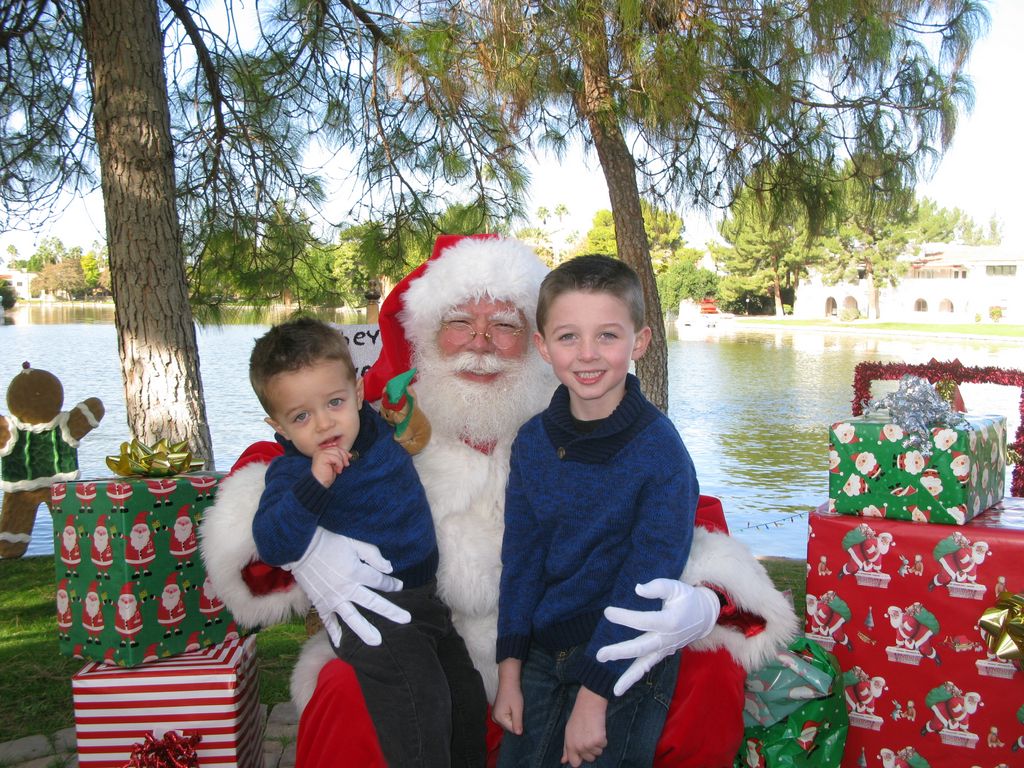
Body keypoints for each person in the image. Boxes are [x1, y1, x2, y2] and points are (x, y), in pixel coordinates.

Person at [200, 234, 798, 768]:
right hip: (426, 643)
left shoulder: (575, 420)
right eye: (460, 321)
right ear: (425, 337)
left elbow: (680, 511)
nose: (481, 343)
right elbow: (271, 462)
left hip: (554, 649)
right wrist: (310, 550)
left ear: (537, 344)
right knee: (346, 693)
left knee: (706, 674)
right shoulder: (372, 424)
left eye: (505, 325)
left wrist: (702, 600)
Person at [248, 317, 487, 767]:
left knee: (467, 698)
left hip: (425, 601)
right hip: (371, 613)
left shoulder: (377, 430)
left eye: (334, 402)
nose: (323, 424)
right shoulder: (293, 473)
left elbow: (408, 404)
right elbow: (273, 542)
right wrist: (315, 483)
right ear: (277, 425)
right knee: (421, 709)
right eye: (301, 416)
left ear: (358, 393)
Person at [492, 255, 701, 767]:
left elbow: (646, 580)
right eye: (568, 337)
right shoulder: (532, 443)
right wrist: (509, 672)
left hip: (626, 655)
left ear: (641, 341)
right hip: (543, 650)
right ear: (542, 347)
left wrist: (594, 694)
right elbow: (521, 560)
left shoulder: (662, 454)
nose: (587, 354)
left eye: (607, 335)